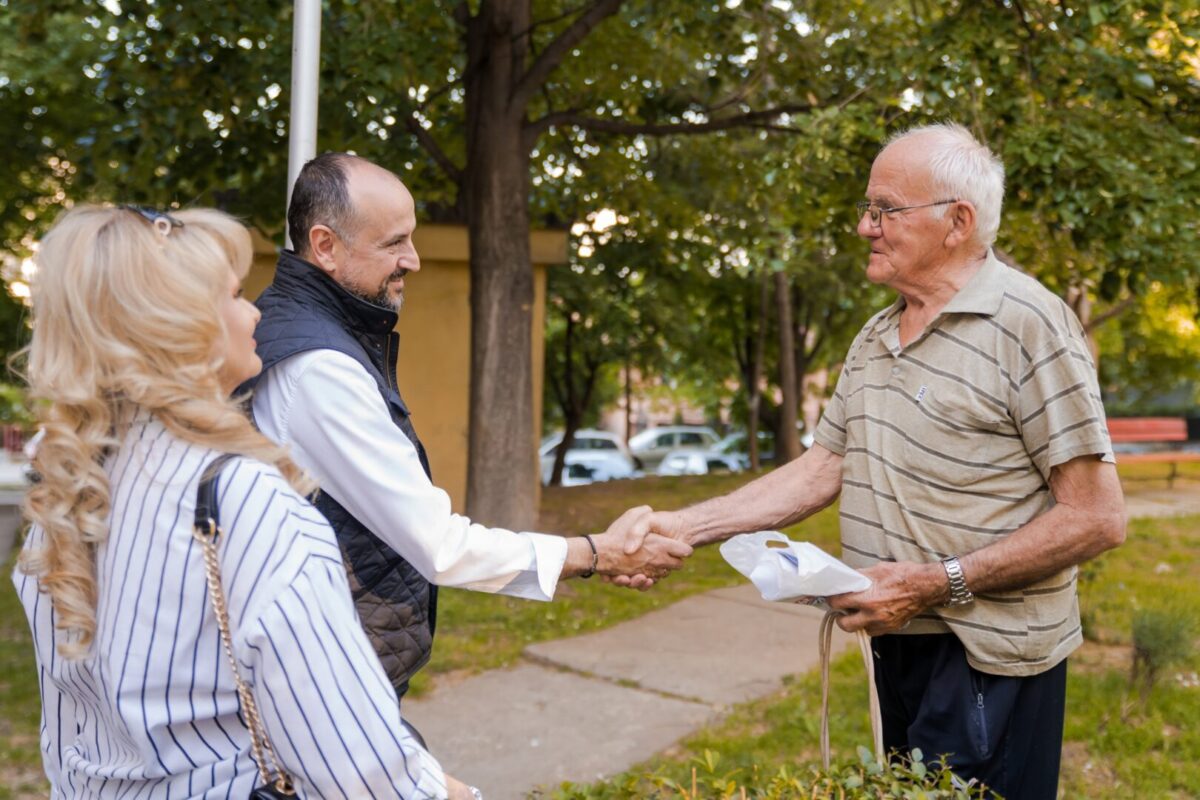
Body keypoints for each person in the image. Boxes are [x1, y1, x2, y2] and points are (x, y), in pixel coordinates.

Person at [621, 123, 1126, 799]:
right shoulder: (876, 334)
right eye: (867, 209)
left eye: (885, 209)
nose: (865, 226)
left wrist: (935, 582)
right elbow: (822, 468)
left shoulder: (1030, 324)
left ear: (958, 221)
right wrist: (685, 527)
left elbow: (1096, 518)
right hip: (895, 637)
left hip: (989, 659)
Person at [14, 205, 477, 798]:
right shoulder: (246, 503)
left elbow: (66, 738)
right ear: (180, 328)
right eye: (234, 295)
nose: (254, 311)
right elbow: (361, 771)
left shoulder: (70, 496)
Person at [247, 152, 689, 702]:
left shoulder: (312, 333)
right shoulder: (319, 369)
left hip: (325, 664)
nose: (413, 260)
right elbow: (438, 544)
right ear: (325, 246)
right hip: (320, 684)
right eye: (393, 243)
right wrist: (596, 553)